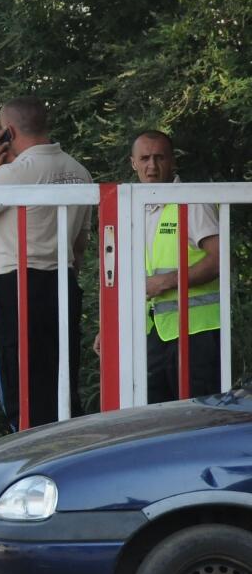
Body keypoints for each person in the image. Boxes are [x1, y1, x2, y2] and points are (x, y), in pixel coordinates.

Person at [0, 96, 93, 429]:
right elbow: (81, 243)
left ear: (8, 131)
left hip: (16, 289)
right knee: (60, 389)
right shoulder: (79, 171)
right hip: (63, 284)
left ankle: (29, 460)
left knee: (20, 393)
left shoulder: (18, 173)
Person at [97, 131, 220, 402]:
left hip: (195, 334)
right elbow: (123, 278)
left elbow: (219, 259)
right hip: (152, 334)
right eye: (144, 158)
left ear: (172, 161)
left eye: (159, 157)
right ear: (133, 163)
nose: (152, 166)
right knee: (154, 424)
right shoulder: (131, 209)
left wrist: (167, 281)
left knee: (197, 420)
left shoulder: (192, 202)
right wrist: (109, 327)